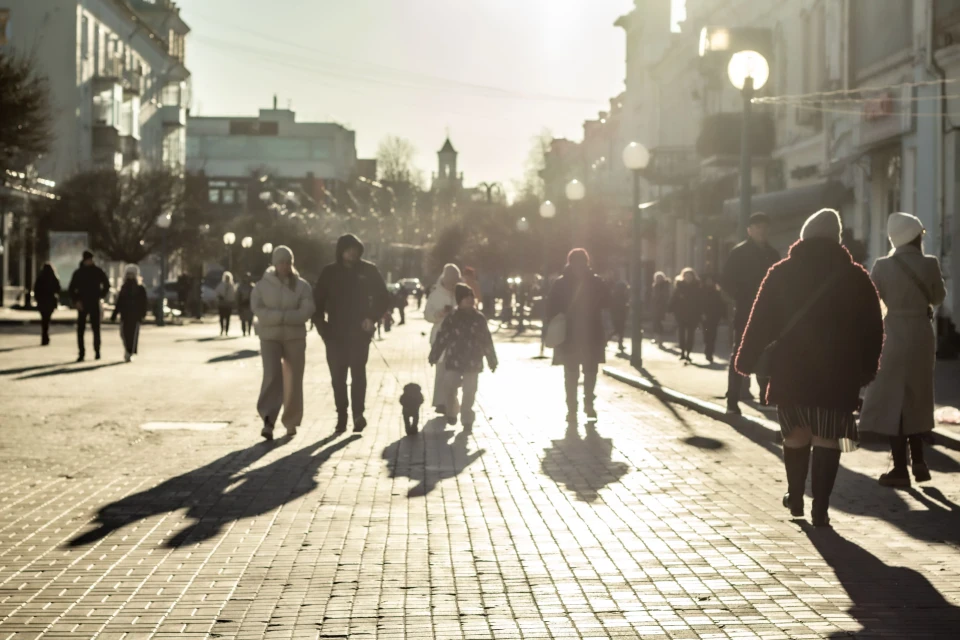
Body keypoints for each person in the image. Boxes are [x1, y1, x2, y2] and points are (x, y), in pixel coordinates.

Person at [735, 209, 883, 527]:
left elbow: (760, 319)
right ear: (836, 239)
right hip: (838, 372)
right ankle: (822, 508)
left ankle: (795, 496)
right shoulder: (856, 276)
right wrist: (868, 368)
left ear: (803, 236)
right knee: (829, 438)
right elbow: (873, 327)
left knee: (796, 435)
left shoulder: (781, 271)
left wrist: (745, 359)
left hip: (792, 369)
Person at [860, 212, 946, 487]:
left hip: (894, 333)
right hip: (922, 333)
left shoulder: (882, 266)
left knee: (892, 400)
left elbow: (872, 300)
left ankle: (900, 468)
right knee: (917, 396)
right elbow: (938, 297)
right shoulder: (930, 263)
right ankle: (919, 461)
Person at [313, 234, 390, 433]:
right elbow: (317, 303)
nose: (352, 253)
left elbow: (384, 298)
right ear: (341, 251)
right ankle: (342, 416)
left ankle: (358, 414)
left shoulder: (368, 270)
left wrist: (371, 318)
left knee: (358, 374)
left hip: (359, 333)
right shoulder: (329, 272)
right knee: (338, 377)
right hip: (335, 334)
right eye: (348, 249)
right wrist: (323, 329)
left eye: (355, 249)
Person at [252, 246, 316, 440]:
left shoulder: (302, 286)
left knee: (294, 379)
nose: (285, 266)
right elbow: (257, 309)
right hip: (270, 337)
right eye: (281, 262)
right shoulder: (262, 286)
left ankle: (291, 421)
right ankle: (268, 421)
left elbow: (307, 310)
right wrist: (282, 317)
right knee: (272, 376)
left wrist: (283, 317)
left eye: (288, 262)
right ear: (274, 263)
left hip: (295, 338)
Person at [721, 212, 780, 414]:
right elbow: (726, 283)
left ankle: (766, 398)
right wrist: (742, 299)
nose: (762, 231)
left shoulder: (773, 254)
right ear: (749, 230)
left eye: (765, 227)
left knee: (769, 354)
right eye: (758, 227)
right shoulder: (739, 253)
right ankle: (732, 400)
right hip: (746, 312)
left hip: (770, 314)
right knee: (739, 354)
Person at [546, 249, 611, 423]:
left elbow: (550, 309)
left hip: (570, 334)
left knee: (572, 374)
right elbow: (607, 303)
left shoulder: (561, 283)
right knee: (589, 372)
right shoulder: (596, 281)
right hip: (591, 333)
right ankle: (586, 405)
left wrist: (549, 329)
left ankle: (573, 409)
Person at [429, 283, 498, 428]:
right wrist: (434, 355)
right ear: (459, 300)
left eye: (471, 297)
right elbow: (443, 337)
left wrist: (492, 360)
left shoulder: (479, 318)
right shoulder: (452, 317)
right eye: (466, 297)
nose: (469, 300)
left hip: (473, 361)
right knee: (449, 386)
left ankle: (467, 418)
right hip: (454, 359)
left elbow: (486, 340)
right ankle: (452, 411)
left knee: (470, 391)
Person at [424, 263, 462, 414]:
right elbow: (427, 314)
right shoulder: (436, 294)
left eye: (455, 280)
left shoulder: (461, 293)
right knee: (441, 369)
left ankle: (451, 400)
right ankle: (440, 402)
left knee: (455, 370)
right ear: (444, 279)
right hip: (440, 336)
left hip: (459, 337)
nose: (452, 283)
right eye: (450, 280)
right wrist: (438, 314)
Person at [68, 250, 110, 362]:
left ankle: (97, 351)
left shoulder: (97, 271)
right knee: (81, 329)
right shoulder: (79, 272)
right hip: (83, 303)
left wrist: (100, 296)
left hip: (94, 302)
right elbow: (71, 288)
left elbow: (106, 285)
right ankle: (81, 353)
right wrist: (76, 301)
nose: (89, 261)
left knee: (96, 328)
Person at [111, 264, 148, 362]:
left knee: (133, 335)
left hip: (135, 316)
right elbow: (119, 302)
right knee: (123, 334)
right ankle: (128, 349)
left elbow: (144, 303)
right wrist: (114, 314)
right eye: (128, 274)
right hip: (125, 315)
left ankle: (129, 351)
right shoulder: (124, 287)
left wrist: (143, 315)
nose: (130, 276)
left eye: (132, 274)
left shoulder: (140, 288)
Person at [669, 268, 702, 362]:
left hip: (693, 314)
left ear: (693, 277)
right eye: (686, 276)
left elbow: (700, 301)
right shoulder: (679, 286)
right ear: (683, 277)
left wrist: (700, 313)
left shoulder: (697, 287)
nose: (688, 278)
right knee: (681, 334)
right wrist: (671, 310)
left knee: (691, 334)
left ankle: (688, 352)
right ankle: (682, 352)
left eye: (690, 276)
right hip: (681, 314)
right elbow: (674, 299)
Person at [33, 263, 61, 346]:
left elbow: (36, 289)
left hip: (42, 301)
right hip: (50, 301)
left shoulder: (40, 278)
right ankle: (45, 335)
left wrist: (38, 299)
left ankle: (44, 335)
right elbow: (58, 289)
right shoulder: (54, 278)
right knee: (47, 319)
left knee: (44, 319)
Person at [701, 274, 727, 364]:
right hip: (705, 316)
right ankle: (707, 349)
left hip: (714, 316)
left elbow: (721, 304)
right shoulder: (702, 291)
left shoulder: (717, 292)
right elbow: (699, 303)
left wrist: (724, 316)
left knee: (712, 335)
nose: (709, 282)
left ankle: (710, 353)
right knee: (706, 334)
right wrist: (701, 313)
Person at [650, 272, 671, 344]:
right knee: (655, 322)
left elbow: (665, 296)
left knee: (658, 322)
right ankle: (657, 338)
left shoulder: (665, 285)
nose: (658, 279)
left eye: (660, 277)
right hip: (655, 307)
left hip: (661, 307)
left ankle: (660, 338)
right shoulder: (655, 285)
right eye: (657, 278)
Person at [215, 271, 237, 336]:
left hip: (228, 304)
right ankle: (222, 329)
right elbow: (217, 293)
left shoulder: (232, 286)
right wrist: (220, 297)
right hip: (222, 304)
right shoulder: (221, 285)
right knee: (221, 317)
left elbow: (233, 295)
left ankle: (226, 330)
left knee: (227, 318)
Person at [611, 280, 629, 352]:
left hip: (618, 314)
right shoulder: (620, 295)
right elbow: (621, 305)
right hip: (619, 314)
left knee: (619, 330)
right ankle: (619, 343)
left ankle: (620, 344)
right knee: (618, 330)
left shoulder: (616, 294)